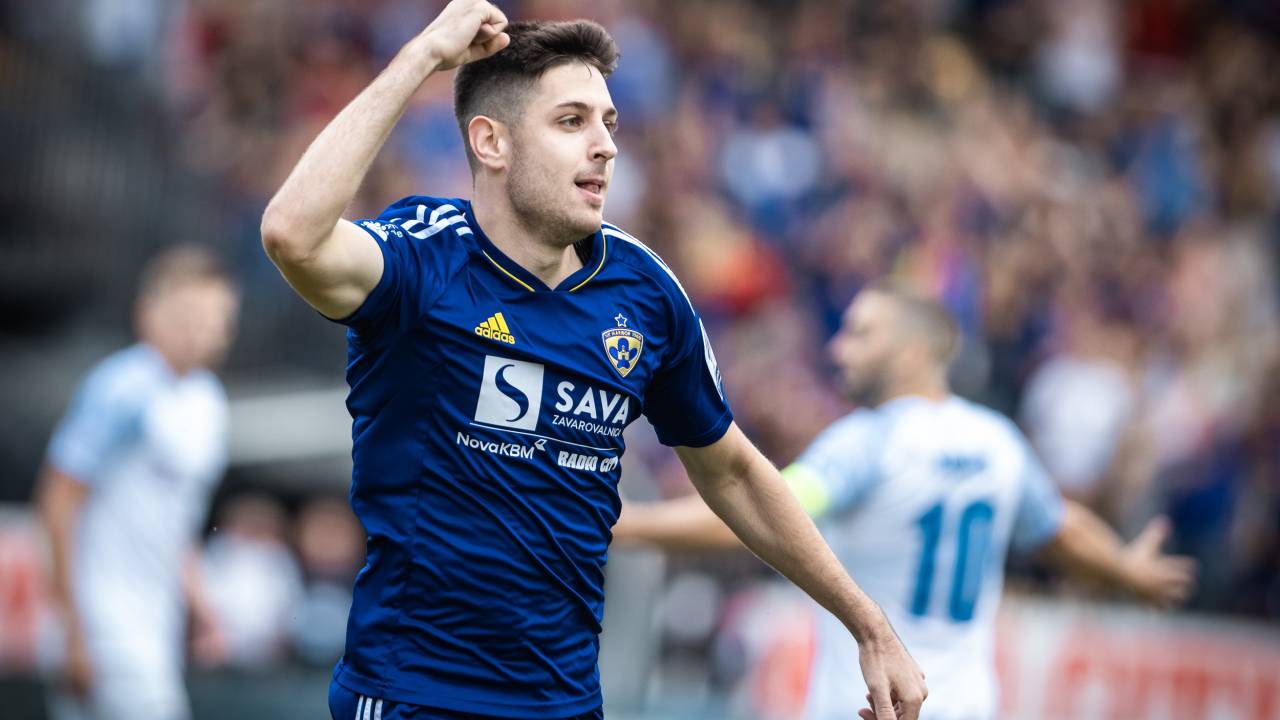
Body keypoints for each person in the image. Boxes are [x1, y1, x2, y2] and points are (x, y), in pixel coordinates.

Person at [259, 2, 927, 719]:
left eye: (609, 123)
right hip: (412, 698)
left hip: (568, 703)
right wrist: (423, 56)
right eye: (571, 121)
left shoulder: (645, 291)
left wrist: (867, 623)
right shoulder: (422, 260)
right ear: (491, 141)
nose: (605, 146)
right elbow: (292, 234)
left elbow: (732, 471)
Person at [612, 283, 1197, 720]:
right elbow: (1060, 529)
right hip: (968, 705)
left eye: (861, 334)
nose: (839, 348)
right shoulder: (997, 442)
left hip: (871, 704)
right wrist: (1125, 570)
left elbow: (764, 509)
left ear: (913, 352)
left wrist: (623, 524)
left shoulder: (869, 442)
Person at [36, 245, 239, 720]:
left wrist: (198, 601)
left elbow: (175, 519)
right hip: (103, 624)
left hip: (156, 623)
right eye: (188, 314)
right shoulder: (123, 388)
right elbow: (56, 502)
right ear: (148, 314)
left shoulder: (208, 402)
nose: (201, 329)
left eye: (215, 317)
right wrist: (71, 627)